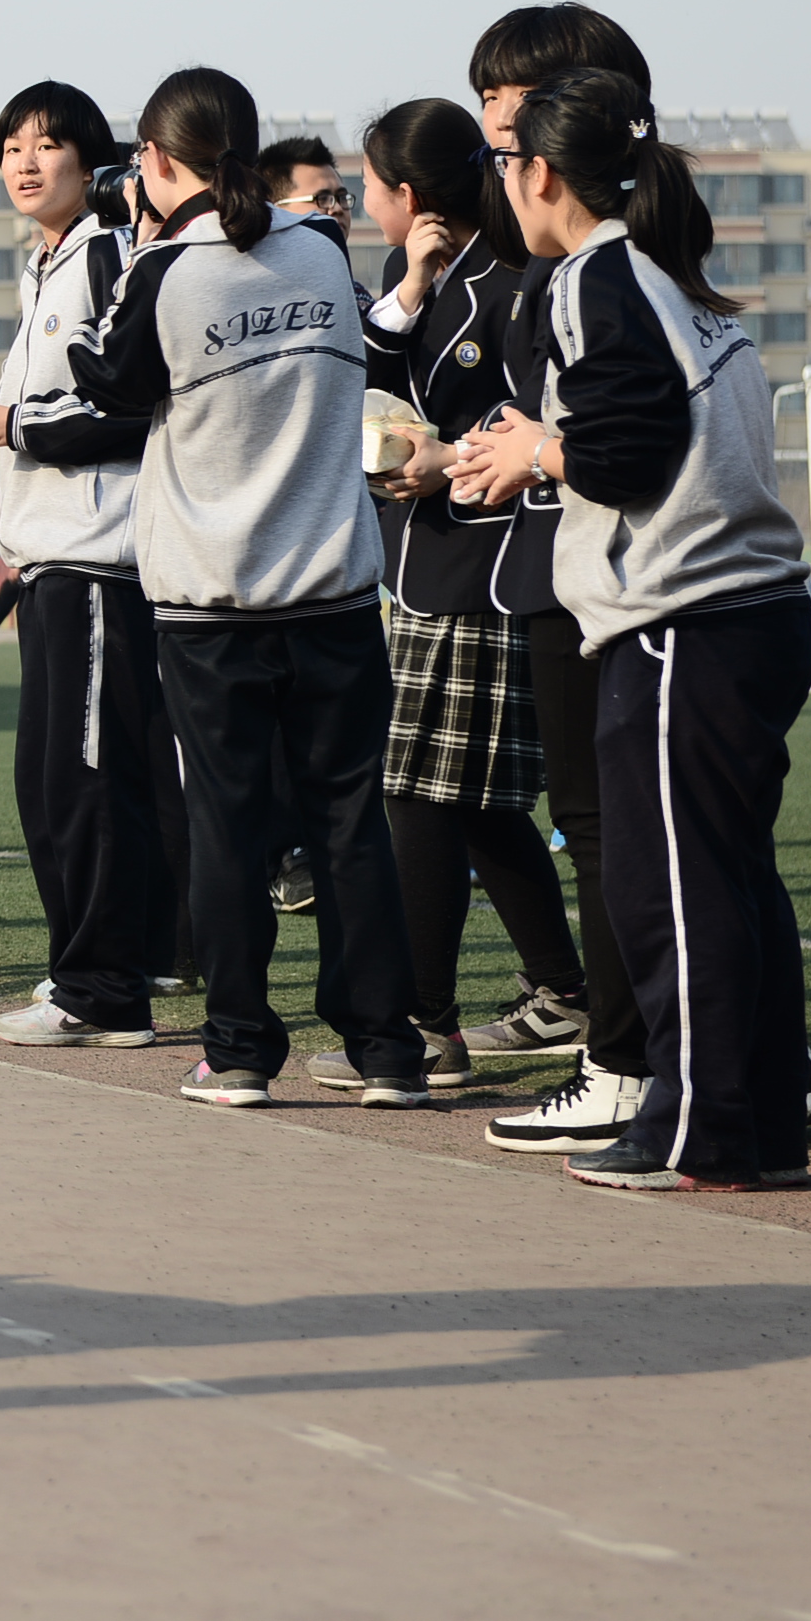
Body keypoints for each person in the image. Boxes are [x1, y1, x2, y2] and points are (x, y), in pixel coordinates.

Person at [453, 71, 811, 1189]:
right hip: (753, 611)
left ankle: (695, 1127)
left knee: (671, 889)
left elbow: (621, 449)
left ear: (538, 173)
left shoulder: (586, 275)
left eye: (503, 160)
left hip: (679, 620)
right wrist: (545, 440)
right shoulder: (664, 275)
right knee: (732, 878)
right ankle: (754, 1126)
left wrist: (534, 451)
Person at [69, 69, 430, 1109]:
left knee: (226, 826)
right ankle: (384, 1049)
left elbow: (104, 379)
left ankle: (236, 1047)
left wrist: (135, 245)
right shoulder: (318, 247)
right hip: (330, 588)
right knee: (347, 824)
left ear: (156, 159)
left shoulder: (166, 272)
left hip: (211, 603)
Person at [341, 95, 591, 1088]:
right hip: (429, 564)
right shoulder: (442, 272)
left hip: (481, 571)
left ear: (406, 192)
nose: (360, 201)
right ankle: (560, 988)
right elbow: (361, 370)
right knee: (479, 803)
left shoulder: (511, 277)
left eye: (367, 183)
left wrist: (443, 458)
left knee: (421, 793)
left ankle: (420, 1022)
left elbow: (518, 422)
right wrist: (406, 283)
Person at [0, 81, 185, 1048]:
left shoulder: (106, 258)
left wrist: (17, 425)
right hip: (48, 567)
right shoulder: (48, 266)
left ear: (90, 161)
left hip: (102, 563)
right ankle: (89, 975)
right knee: (51, 788)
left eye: (46, 144)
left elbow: (136, 409)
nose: (24, 160)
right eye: (12, 143)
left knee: (92, 785)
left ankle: (107, 989)